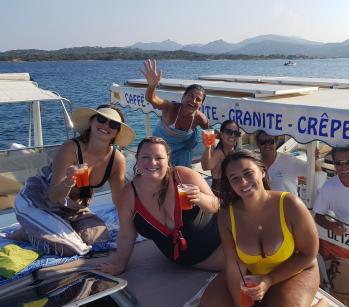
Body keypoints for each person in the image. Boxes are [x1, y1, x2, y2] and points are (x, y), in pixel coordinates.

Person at [200, 150, 336, 307]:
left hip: (297, 271)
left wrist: (269, 280)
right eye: (235, 179)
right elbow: (233, 266)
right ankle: (266, 303)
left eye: (248, 173)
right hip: (254, 274)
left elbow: (309, 255)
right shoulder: (227, 216)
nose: (243, 183)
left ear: (262, 171)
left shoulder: (289, 204)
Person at [13, 105, 135, 256]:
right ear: (91, 122)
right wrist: (69, 182)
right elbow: (54, 196)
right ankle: (25, 233)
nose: (106, 126)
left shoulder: (116, 160)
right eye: (102, 119)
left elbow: (119, 200)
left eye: (113, 124)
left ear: (117, 132)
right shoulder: (71, 148)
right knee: (71, 248)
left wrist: (130, 224)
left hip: (73, 209)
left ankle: (52, 227)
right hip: (39, 201)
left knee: (100, 240)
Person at [96, 136, 224, 275]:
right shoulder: (129, 196)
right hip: (193, 259)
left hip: (224, 239)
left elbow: (216, 205)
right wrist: (119, 265)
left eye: (159, 158)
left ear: (167, 160)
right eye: (145, 157)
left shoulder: (183, 176)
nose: (152, 162)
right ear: (137, 159)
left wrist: (200, 198)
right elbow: (127, 235)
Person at [142, 59, 209, 167]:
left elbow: (210, 132)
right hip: (159, 149)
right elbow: (152, 98)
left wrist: (227, 134)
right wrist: (152, 86)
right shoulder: (170, 108)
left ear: (201, 104)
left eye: (198, 99)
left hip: (182, 152)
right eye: (191, 96)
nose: (193, 101)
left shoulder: (200, 119)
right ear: (183, 97)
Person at [256, 130, 322, 194]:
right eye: (263, 142)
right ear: (258, 145)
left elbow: (315, 170)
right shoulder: (254, 163)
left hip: (287, 204)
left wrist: (314, 159)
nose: (267, 145)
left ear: (276, 143)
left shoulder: (289, 161)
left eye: (270, 141)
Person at [201, 120, 240, 194]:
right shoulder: (218, 153)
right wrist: (207, 148)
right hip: (221, 196)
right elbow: (206, 166)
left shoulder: (235, 151)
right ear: (221, 134)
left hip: (233, 193)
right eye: (229, 132)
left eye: (236, 133)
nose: (232, 135)